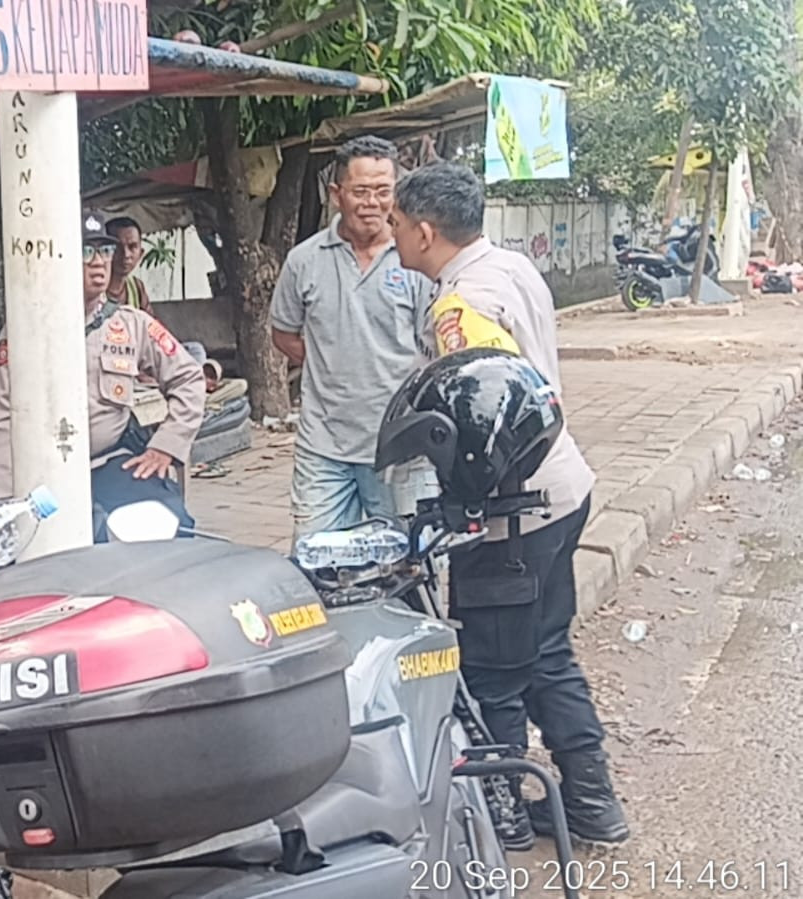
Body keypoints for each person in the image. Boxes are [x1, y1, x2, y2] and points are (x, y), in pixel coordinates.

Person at [391, 160, 628, 848]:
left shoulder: (458, 308)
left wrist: (460, 510)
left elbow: (487, 418)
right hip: (563, 489)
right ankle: (590, 803)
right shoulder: (510, 266)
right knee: (548, 652)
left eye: (400, 226)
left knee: (492, 673)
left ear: (425, 230)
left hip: (512, 512)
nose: (396, 236)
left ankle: (501, 823)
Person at [0, 216, 205, 540]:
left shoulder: (130, 323)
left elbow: (189, 378)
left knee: (173, 526)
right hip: (40, 472)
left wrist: (165, 447)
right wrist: (7, 496)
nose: (98, 262)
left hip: (107, 464)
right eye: (85, 252)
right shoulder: (25, 330)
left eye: (104, 251)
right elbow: (0, 413)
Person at [270, 135, 434, 542]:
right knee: (316, 563)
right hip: (324, 449)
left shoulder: (416, 261)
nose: (372, 203)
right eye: (360, 191)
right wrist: (335, 362)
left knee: (411, 569)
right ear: (336, 194)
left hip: (401, 449)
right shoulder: (304, 261)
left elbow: (432, 351)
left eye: (384, 192)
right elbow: (284, 334)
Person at [104, 216, 153, 312]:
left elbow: (150, 324)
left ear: (141, 253)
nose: (126, 254)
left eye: (132, 247)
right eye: (117, 247)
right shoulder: (92, 287)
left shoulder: (137, 288)